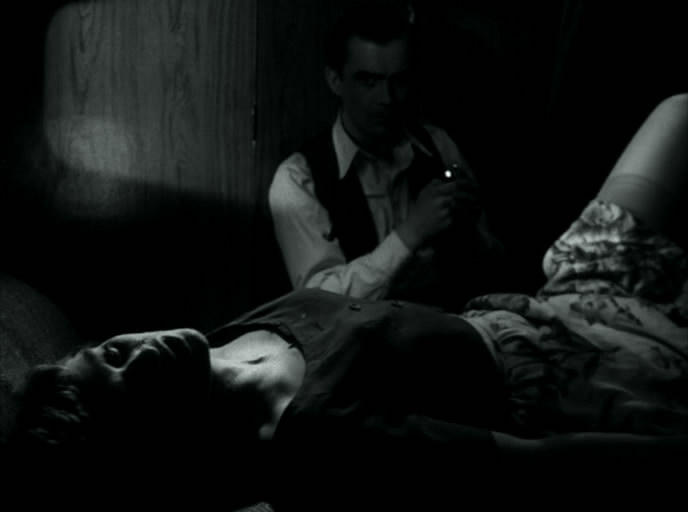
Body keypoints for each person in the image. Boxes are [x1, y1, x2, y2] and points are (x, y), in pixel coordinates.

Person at [7, 93, 688, 509]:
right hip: (577, 376)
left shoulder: (215, 343)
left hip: (537, 310)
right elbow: (536, 469)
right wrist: (408, 236)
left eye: (115, 353)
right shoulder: (314, 436)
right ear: (160, 447)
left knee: (676, 114)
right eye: (136, 389)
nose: (145, 354)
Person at [268, 3, 506, 313]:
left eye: (399, 81)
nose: (387, 98)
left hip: (448, 328)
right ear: (335, 80)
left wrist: (468, 230)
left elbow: (494, 266)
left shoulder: (438, 146)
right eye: (368, 81)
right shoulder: (299, 179)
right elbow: (320, 302)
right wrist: (410, 234)